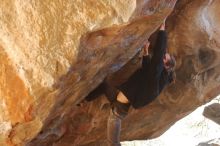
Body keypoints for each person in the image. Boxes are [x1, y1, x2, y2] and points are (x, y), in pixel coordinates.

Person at [85, 20, 176, 146]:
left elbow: (158, 55)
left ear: (166, 66)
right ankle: (84, 99)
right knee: (104, 86)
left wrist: (162, 30)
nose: (161, 57)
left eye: (164, 58)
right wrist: (146, 51)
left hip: (117, 111)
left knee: (113, 143)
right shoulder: (155, 79)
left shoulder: (157, 80)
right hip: (117, 99)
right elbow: (147, 70)